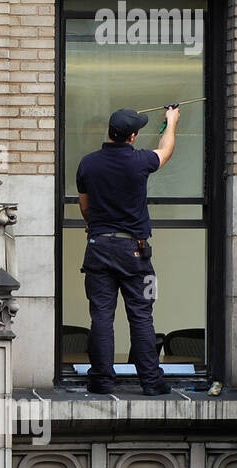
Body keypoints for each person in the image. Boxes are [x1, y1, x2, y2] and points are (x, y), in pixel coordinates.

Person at [76, 105, 180, 395]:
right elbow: (166, 150)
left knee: (101, 316)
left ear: (110, 132)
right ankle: (151, 381)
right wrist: (171, 122)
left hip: (98, 250)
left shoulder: (88, 164)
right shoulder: (140, 161)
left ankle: (101, 381)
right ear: (133, 137)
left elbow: (85, 207)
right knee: (142, 315)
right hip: (136, 254)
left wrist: (96, 224)